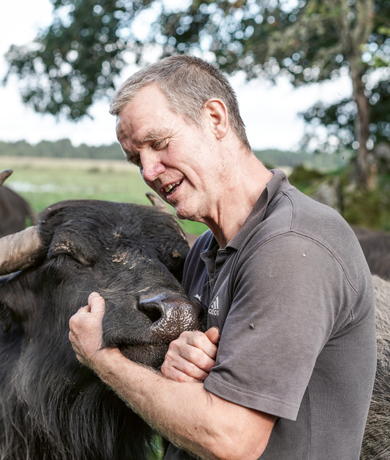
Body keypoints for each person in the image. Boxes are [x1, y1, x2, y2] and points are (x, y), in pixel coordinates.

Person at [68, 55, 376, 459]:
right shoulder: (205, 249)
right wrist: (175, 366)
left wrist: (103, 360)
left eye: (158, 143)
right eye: (135, 158)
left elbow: (232, 438)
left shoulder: (292, 246)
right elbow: (195, 388)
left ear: (215, 119)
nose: (147, 170)